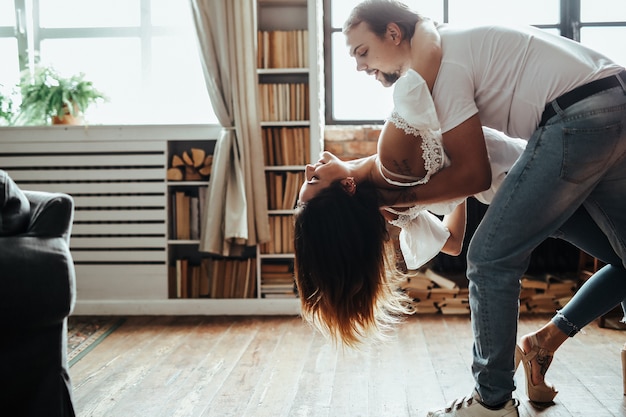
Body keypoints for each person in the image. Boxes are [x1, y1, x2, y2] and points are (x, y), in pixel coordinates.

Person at [343, 1, 626, 416]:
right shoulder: (441, 48)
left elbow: (474, 175)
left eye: (361, 51)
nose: (358, 66)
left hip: (578, 114)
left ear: (392, 33)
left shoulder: (442, 66)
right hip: (612, 95)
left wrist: (397, 199)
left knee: (490, 258)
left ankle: (491, 403)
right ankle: (543, 343)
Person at [294, 68, 526, 348]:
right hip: (522, 171)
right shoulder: (392, 157)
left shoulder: (392, 207)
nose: (308, 168)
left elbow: (452, 244)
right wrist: (456, 181)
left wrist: (456, 186)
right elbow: (421, 75)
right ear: (347, 187)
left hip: (510, 188)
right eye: (314, 179)